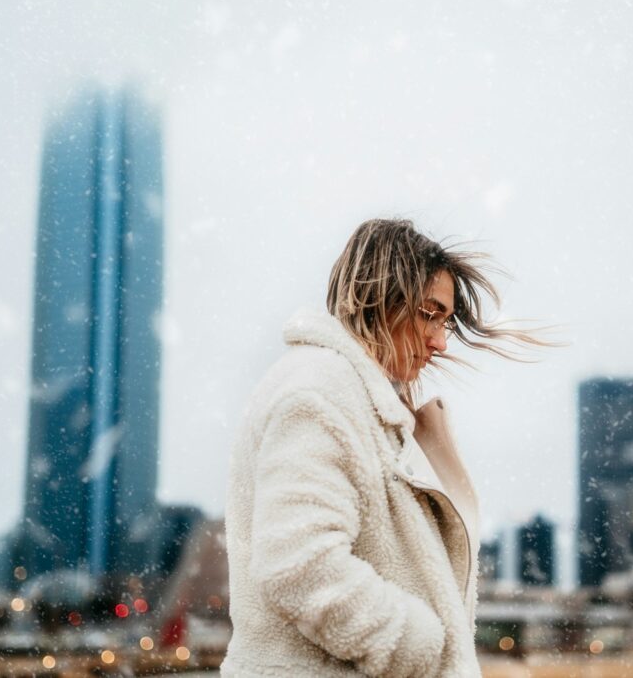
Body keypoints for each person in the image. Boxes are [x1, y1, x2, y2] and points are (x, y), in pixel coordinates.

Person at [221, 219, 546, 677]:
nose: (440, 341)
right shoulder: (320, 391)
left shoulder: (355, 396)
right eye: (429, 314)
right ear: (377, 296)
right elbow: (298, 565)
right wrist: (420, 648)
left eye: (446, 322)